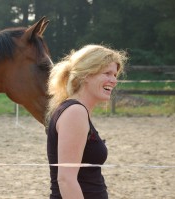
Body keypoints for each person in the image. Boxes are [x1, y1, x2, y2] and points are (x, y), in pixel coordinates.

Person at [46, 44, 127, 199]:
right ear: (86, 75)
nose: (113, 80)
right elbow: (66, 180)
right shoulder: (75, 112)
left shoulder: (76, 110)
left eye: (115, 75)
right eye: (107, 73)